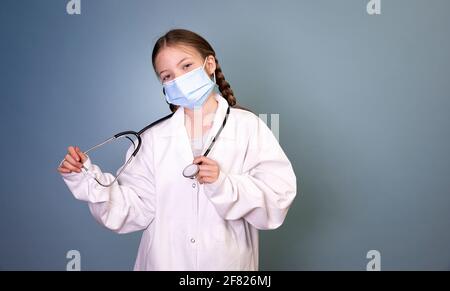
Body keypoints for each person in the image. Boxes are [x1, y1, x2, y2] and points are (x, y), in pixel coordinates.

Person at [57, 29, 297, 271]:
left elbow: (277, 201)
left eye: (186, 66)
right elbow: (131, 211)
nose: (178, 79)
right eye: (167, 76)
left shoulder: (248, 127)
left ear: (209, 64)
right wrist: (86, 177)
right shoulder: (152, 139)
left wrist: (223, 183)